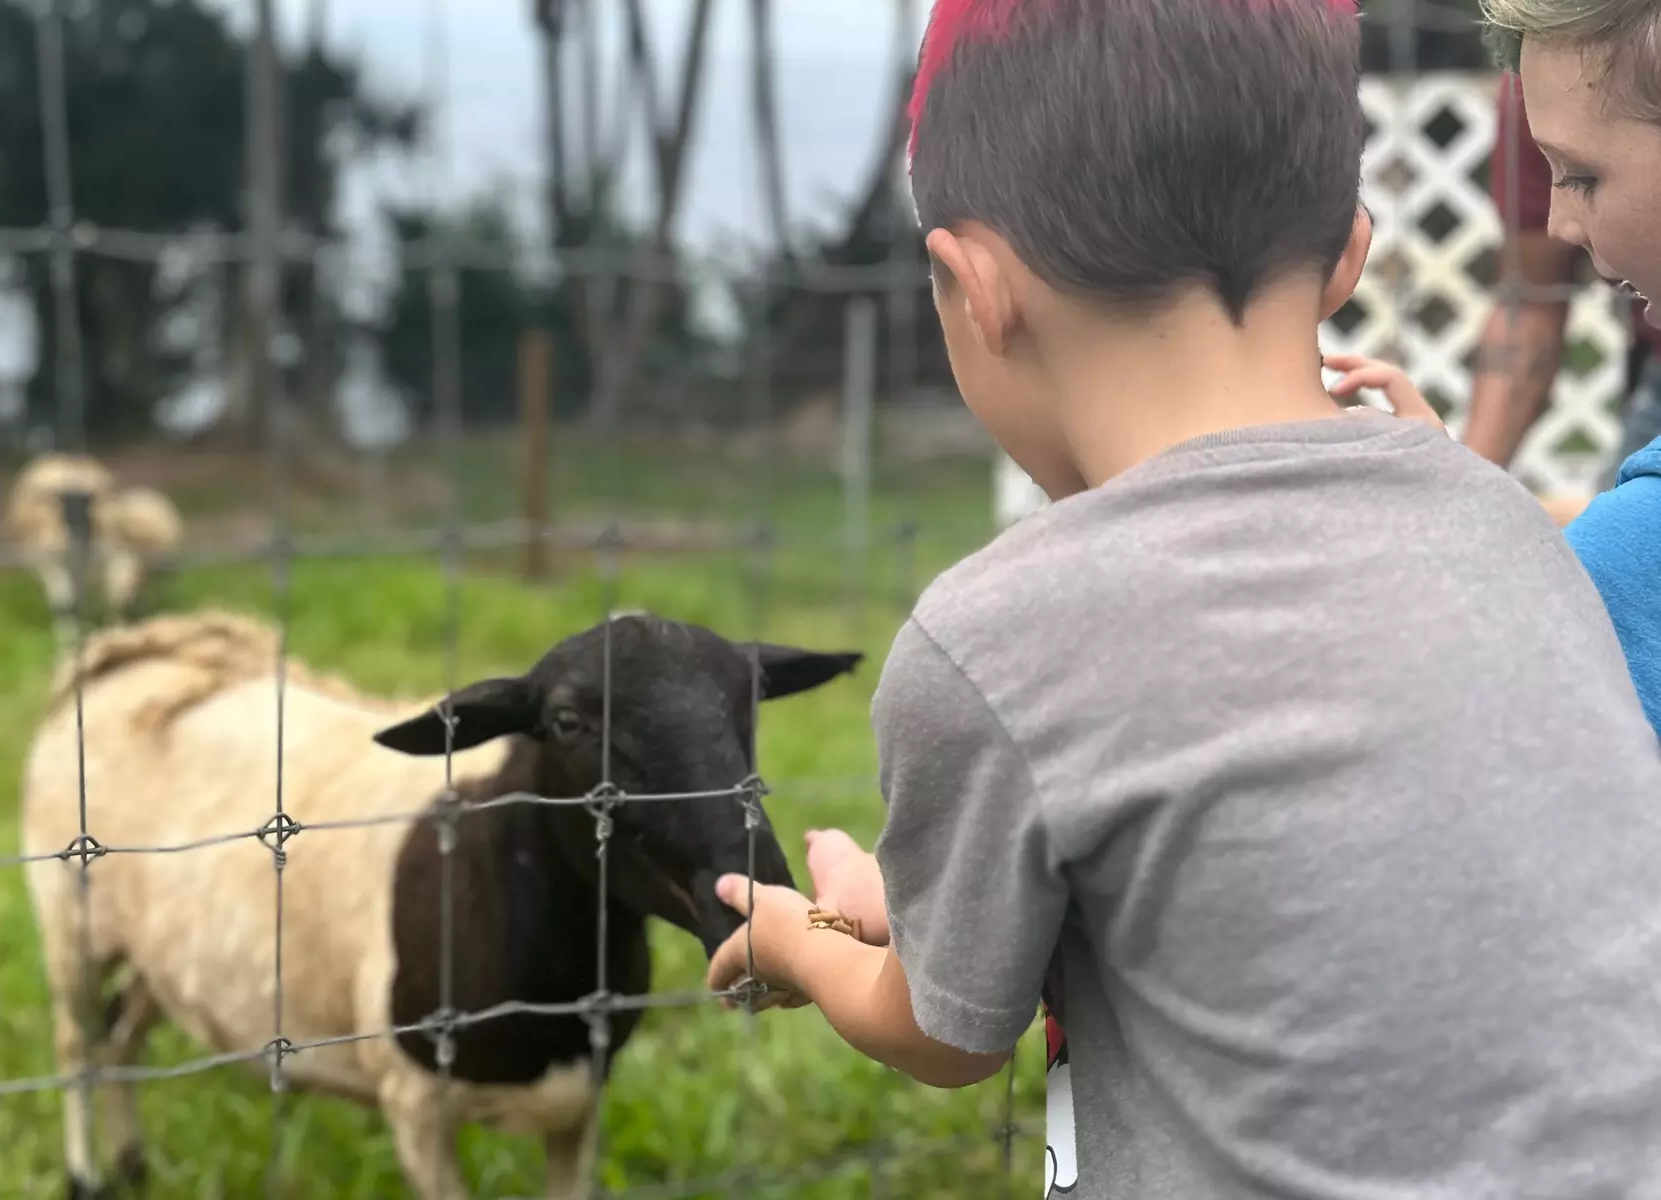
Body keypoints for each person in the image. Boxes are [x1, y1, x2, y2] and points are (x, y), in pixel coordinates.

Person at [703, 0, 1661, 1196]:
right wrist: (921, 899)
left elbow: (941, 1037)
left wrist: (804, 935)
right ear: (1351, 253)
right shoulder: (1505, 527)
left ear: (973, 288)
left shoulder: (992, 640)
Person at [1460, 72, 1659, 488]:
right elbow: (1531, 301)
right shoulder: (1537, 81)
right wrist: (1465, 491)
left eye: (1583, 178)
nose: (1560, 224)